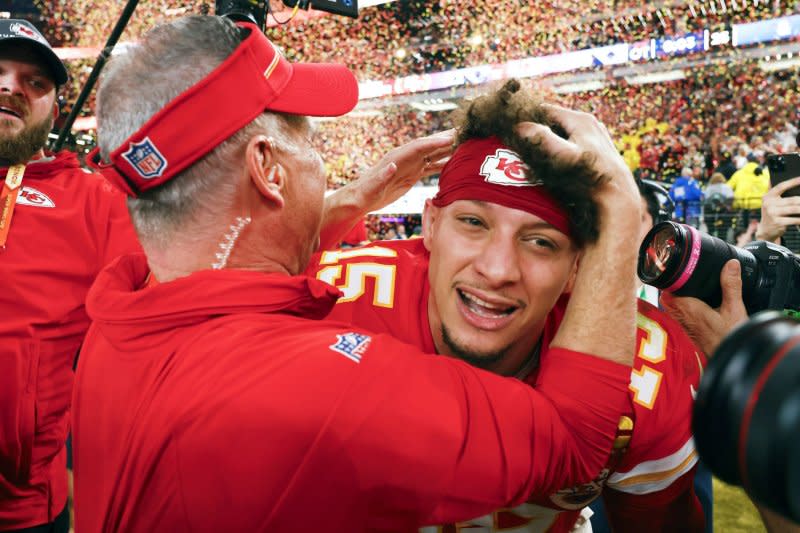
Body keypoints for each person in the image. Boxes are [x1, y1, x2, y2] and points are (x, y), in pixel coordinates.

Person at [71, 16, 637, 532]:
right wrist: (620, 216)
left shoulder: (115, 315)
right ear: (267, 168)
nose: (320, 160)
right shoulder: (325, 390)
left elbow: (213, 273)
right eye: (308, 137)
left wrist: (342, 204)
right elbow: (570, 442)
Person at [308, 80, 706, 533]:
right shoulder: (331, 298)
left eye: (540, 242)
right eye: (473, 222)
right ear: (431, 227)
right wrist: (343, 203)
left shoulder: (647, 368)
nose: (498, 270)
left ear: (579, 269)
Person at [0, 19, 141, 533]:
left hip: (23, 509)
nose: (10, 86)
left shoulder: (96, 200)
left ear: (55, 110)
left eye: (33, 82)